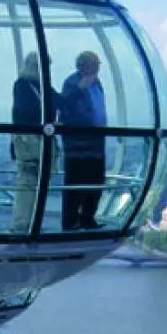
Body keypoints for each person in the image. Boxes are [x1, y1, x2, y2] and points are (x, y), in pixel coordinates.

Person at [10, 51, 61, 233]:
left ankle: (29, 223)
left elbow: (60, 101)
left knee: (35, 182)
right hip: (30, 141)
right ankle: (22, 224)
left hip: (34, 141)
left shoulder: (41, 86)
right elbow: (24, 112)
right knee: (28, 182)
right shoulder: (23, 85)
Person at [60, 50, 107, 230]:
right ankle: (70, 221)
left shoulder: (97, 84)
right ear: (84, 65)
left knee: (96, 181)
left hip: (96, 143)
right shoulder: (72, 83)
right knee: (76, 182)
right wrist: (80, 89)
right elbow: (66, 106)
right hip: (78, 145)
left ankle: (88, 217)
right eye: (94, 65)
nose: (97, 69)